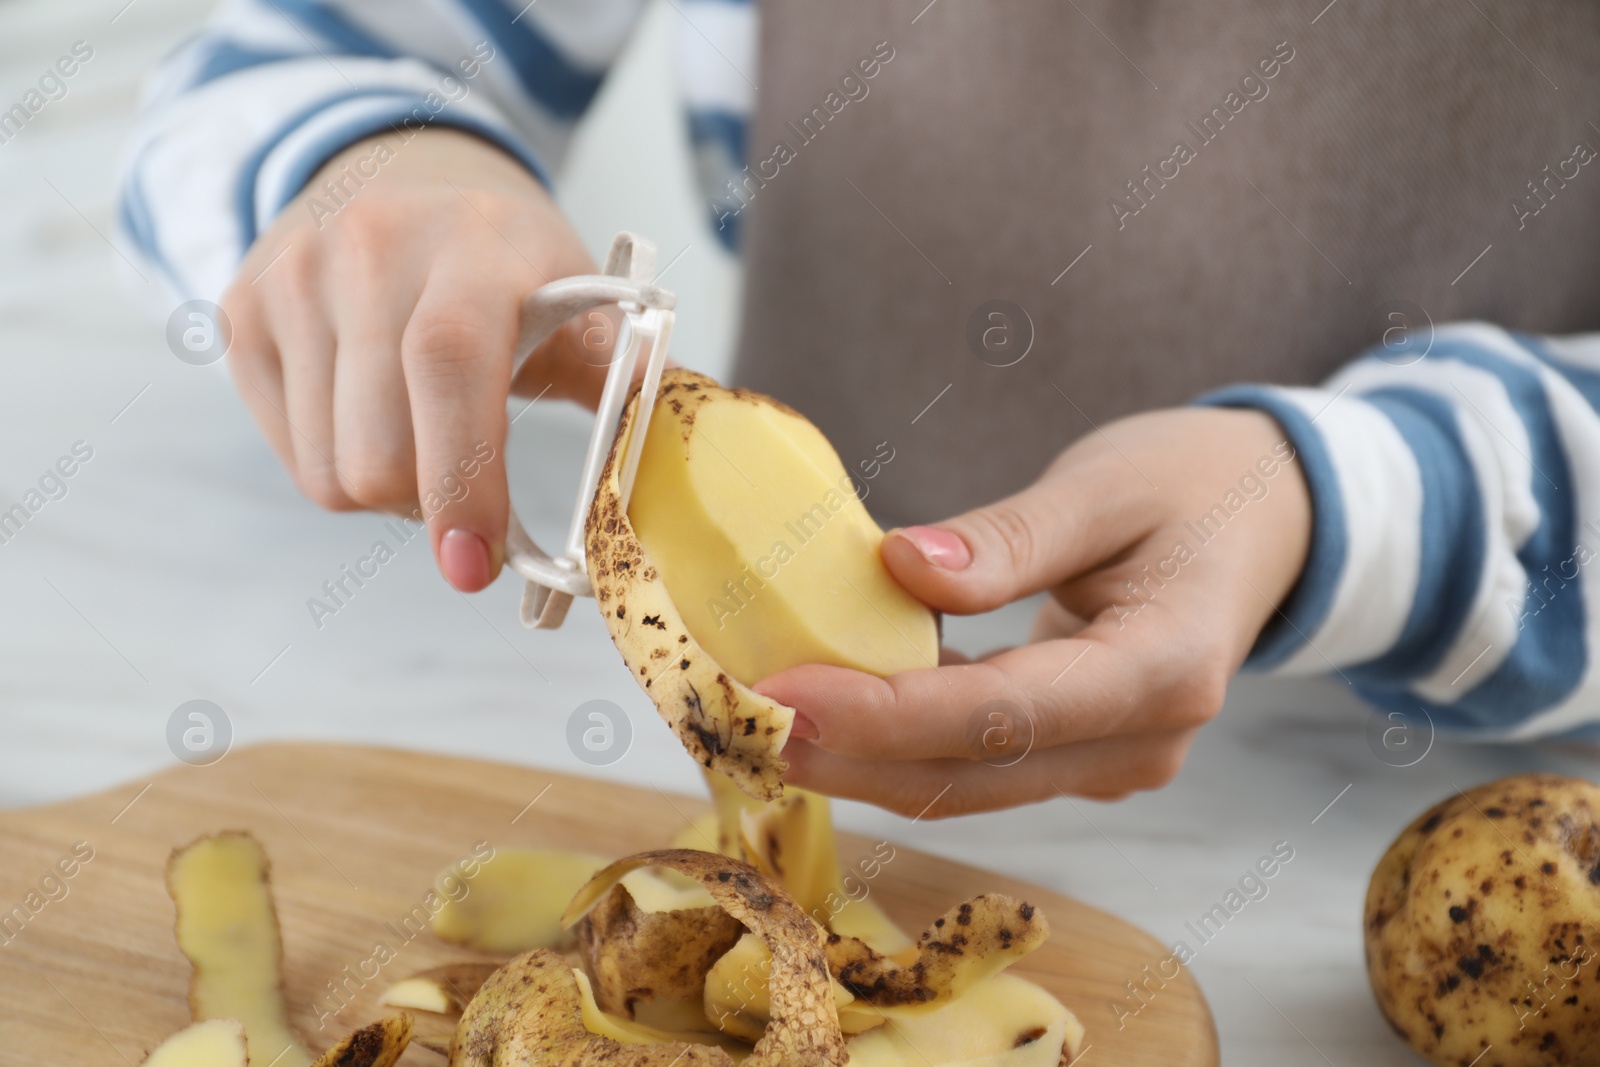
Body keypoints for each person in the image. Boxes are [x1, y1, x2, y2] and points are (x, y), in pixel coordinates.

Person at [119, 1, 1600, 817]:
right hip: (724, 729)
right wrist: (374, 163)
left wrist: (1338, 505)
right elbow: (261, 65)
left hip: (1405, 793)